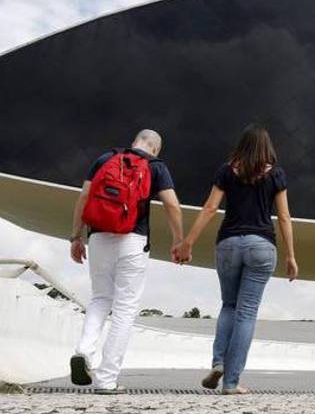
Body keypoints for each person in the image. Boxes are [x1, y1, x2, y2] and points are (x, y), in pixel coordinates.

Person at [179, 124, 298, 395]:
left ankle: (218, 361)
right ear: (267, 148)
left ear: (242, 146)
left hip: (229, 244)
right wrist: (291, 255)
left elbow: (210, 208)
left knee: (229, 306)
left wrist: (188, 242)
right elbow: (284, 218)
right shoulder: (276, 175)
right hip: (261, 246)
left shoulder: (226, 171)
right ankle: (231, 382)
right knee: (247, 313)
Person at [68, 129, 184, 394]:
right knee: (124, 309)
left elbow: (84, 197)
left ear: (135, 142)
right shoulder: (156, 167)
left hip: (97, 238)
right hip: (133, 240)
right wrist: (178, 241)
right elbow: (172, 205)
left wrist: (76, 236)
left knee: (100, 298)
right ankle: (107, 379)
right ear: (155, 148)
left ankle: (83, 352)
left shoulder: (106, 158)